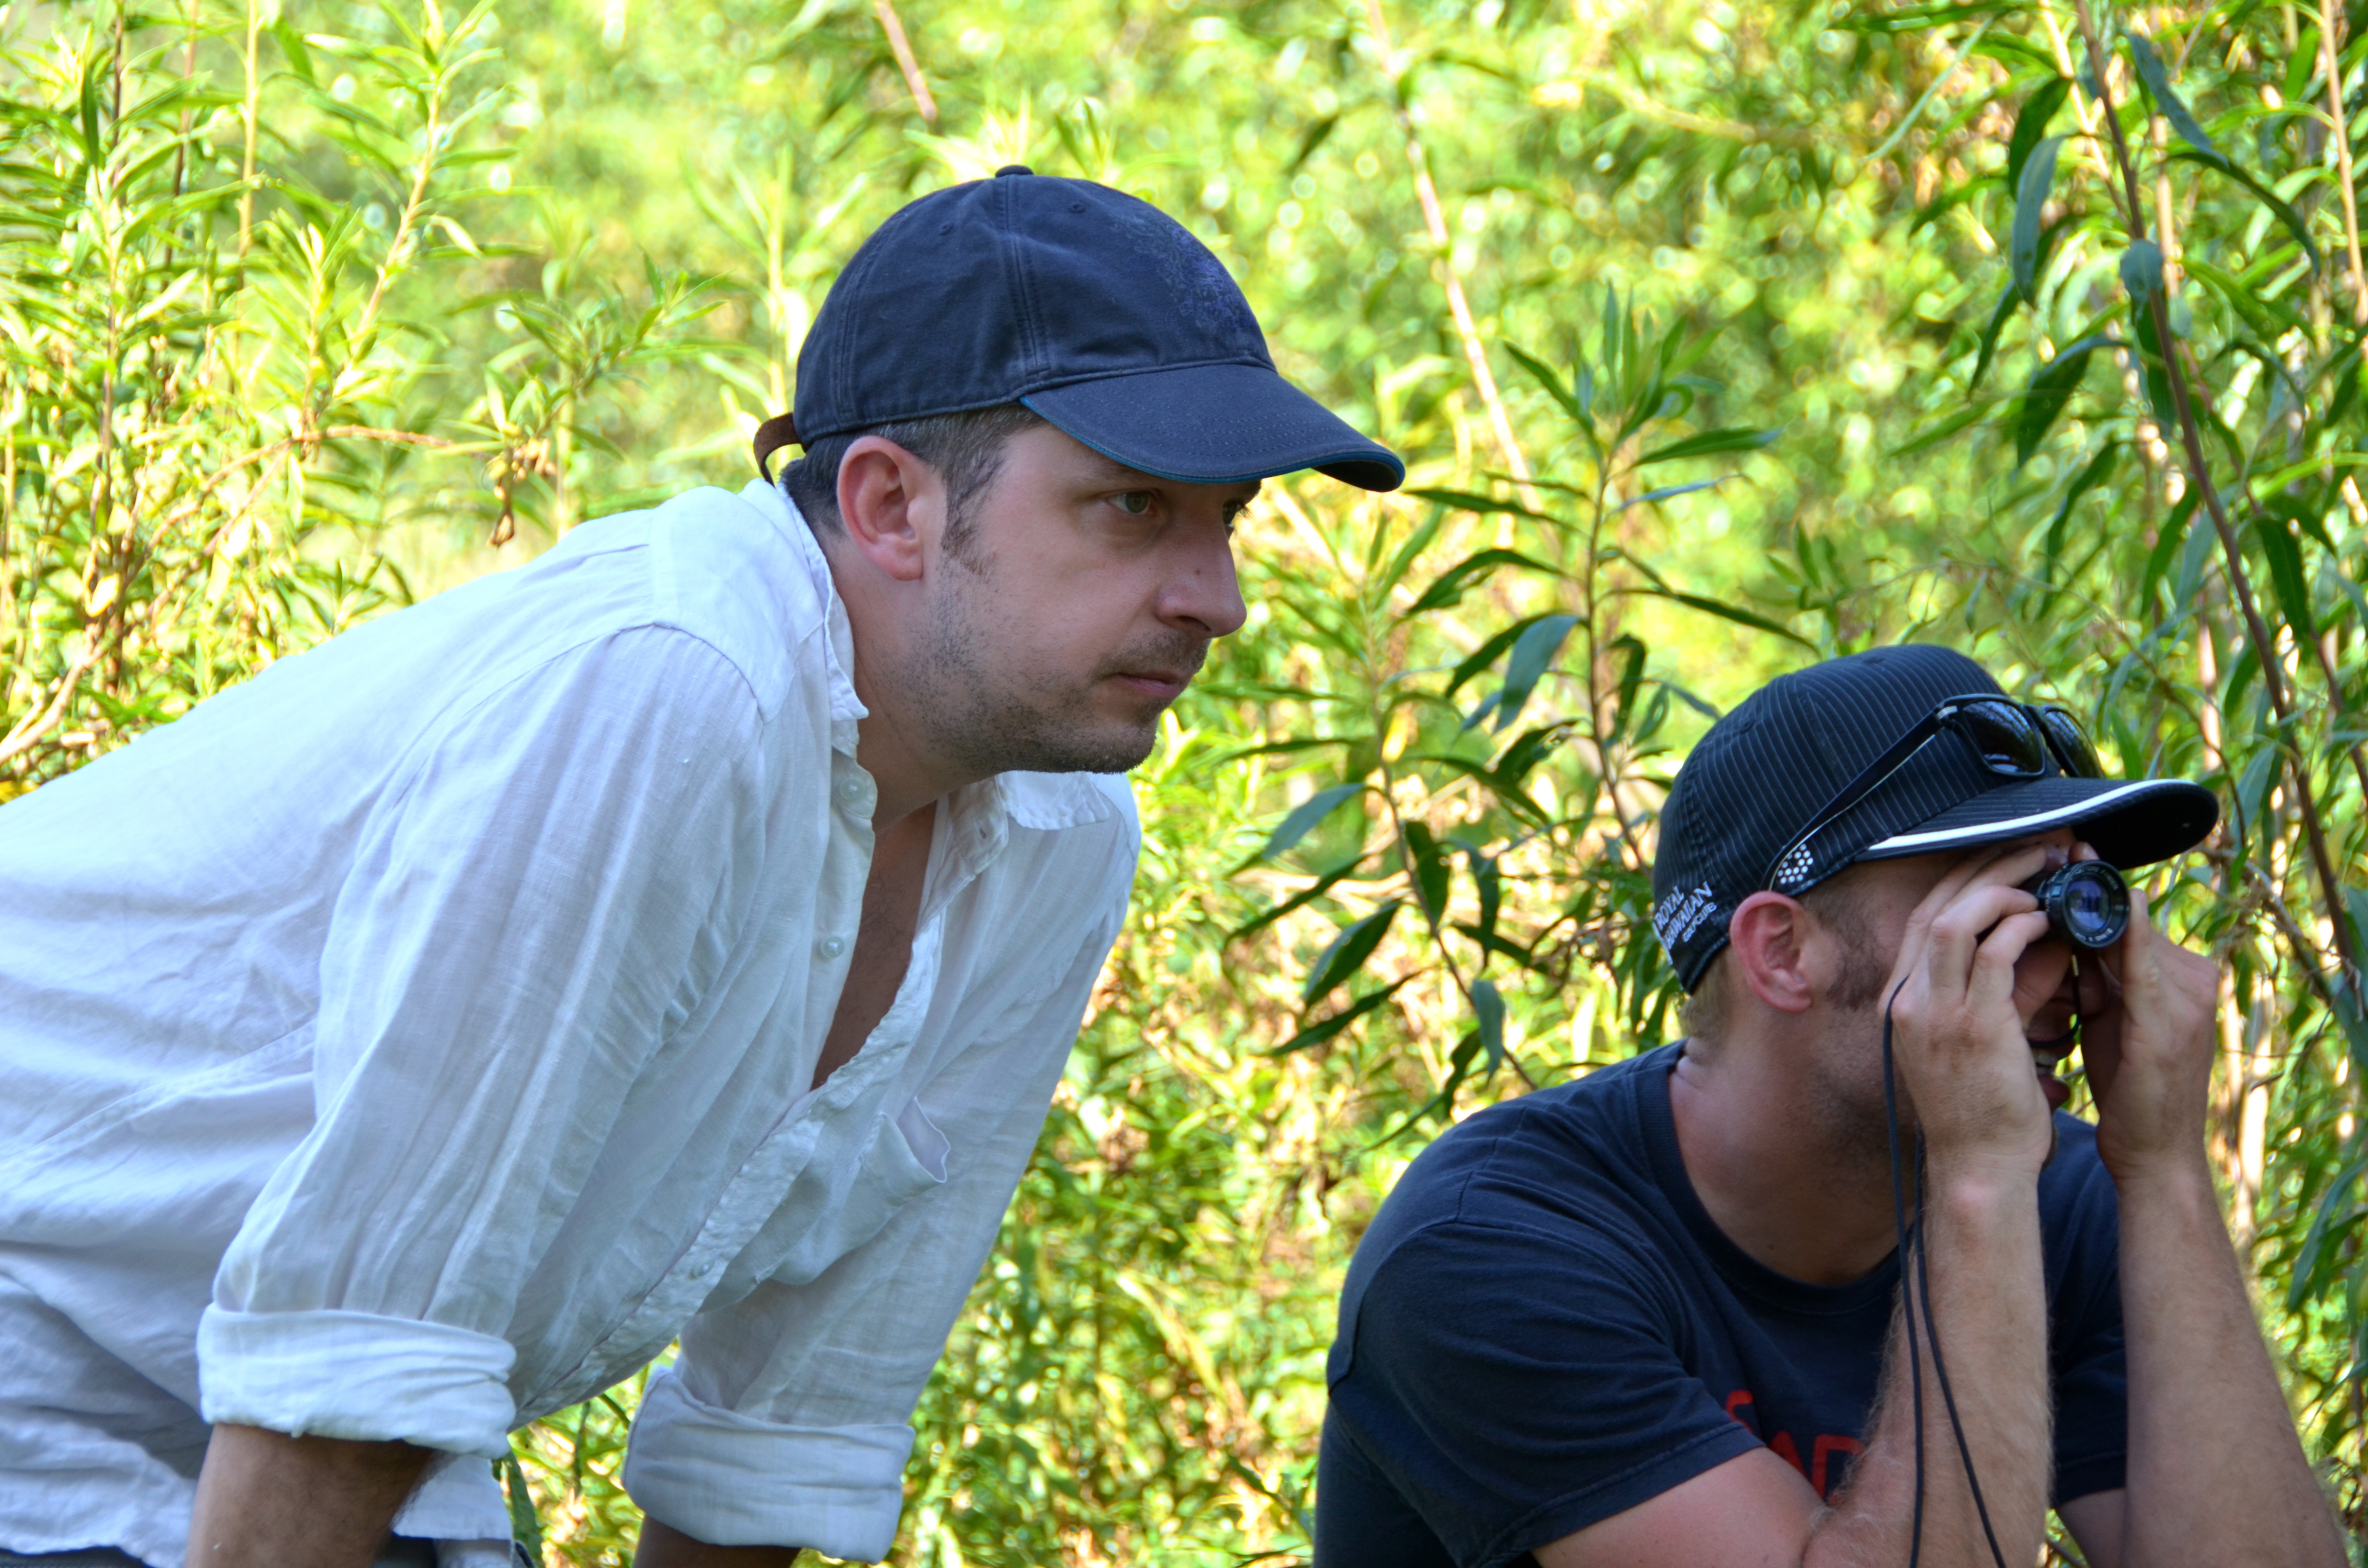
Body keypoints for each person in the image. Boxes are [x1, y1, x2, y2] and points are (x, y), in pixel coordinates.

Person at [0, 166, 1403, 1568]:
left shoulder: (1058, 837)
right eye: (1133, 508)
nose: (1214, 599)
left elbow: (784, 1431)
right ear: (890, 507)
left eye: (1228, 521)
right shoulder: (675, 684)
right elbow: (357, 1358)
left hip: (242, 1423)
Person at [1314, 644, 2346, 1568]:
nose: (2066, 965)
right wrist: (1977, 1176)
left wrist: (2161, 1166)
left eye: (2073, 900)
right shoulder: (1490, 1257)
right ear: (1781, 951)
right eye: (1990, 911)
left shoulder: (2063, 1196)